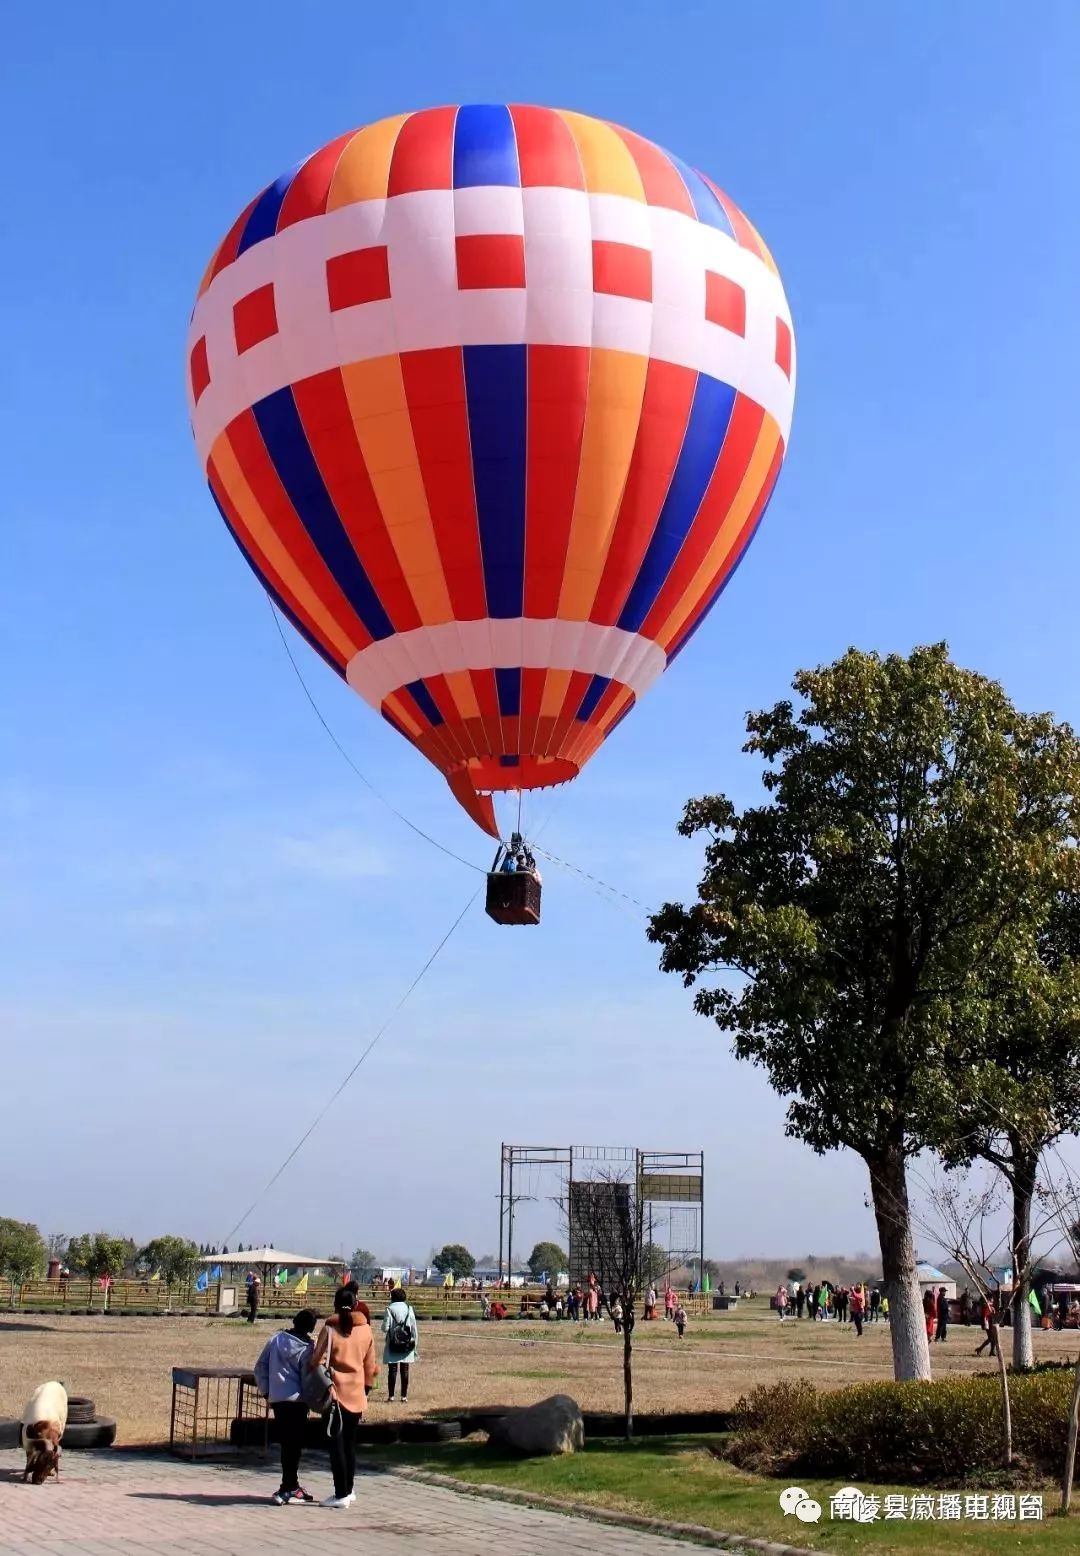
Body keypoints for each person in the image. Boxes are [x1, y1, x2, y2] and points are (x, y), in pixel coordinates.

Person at [309, 1289, 378, 1509]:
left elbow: (315, 1361)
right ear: (356, 1303)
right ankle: (349, 1490)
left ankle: (340, 1494)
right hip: (357, 1393)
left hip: (335, 1395)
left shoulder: (330, 1329)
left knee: (336, 1446)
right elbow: (370, 1367)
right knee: (350, 1445)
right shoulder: (366, 1330)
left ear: (335, 1304)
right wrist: (366, 1388)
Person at [253, 1308, 318, 1504]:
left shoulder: (276, 1339)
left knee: (287, 1443)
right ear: (311, 1327)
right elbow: (308, 1377)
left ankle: (291, 1484)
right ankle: (286, 1487)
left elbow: (260, 1367)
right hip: (297, 1401)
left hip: (278, 1399)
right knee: (294, 1446)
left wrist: (266, 1390)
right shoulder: (308, 1347)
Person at [383, 1285, 419, 1404]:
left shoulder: (389, 1309)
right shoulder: (409, 1308)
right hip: (407, 1342)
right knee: (405, 1370)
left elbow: (385, 1327)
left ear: (392, 1297)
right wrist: (415, 1344)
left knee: (392, 1370)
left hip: (393, 1342)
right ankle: (404, 1396)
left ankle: (391, 1396)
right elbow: (414, 1328)